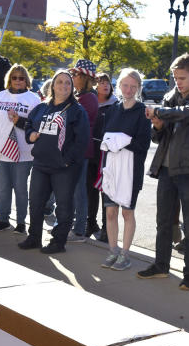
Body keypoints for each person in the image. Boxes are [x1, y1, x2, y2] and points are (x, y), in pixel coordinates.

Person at [138, 54, 189, 290]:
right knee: (163, 222)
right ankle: (161, 265)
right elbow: (158, 137)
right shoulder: (170, 96)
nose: (177, 82)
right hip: (166, 168)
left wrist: (160, 113)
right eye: (175, 77)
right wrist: (157, 125)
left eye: (182, 78)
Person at [18, 70, 89, 253]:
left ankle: (58, 242)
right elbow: (28, 125)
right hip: (41, 164)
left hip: (64, 168)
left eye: (68, 83)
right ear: (53, 85)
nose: (64, 86)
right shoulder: (42, 108)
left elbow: (82, 141)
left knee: (64, 206)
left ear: (72, 87)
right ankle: (34, 238)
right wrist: (30, 135)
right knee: (35, 202)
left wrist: (67, 160)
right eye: (60, 82)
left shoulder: (76, 110)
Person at [99, 68, 151, 271]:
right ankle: (113, 251)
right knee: (110, 213)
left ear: (138, 88)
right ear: (119, 85)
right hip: (111, 169)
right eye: (125, 85)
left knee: (127, 214)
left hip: (131, 172)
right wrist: (115, 141)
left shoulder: (142, 112)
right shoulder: (112, 110)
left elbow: (142, 145)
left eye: (133, 86)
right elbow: (104, 137)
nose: (128, 89)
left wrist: (120, 141)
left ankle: (125, 255)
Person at [0, 64, 41, 233]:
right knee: (3, 187)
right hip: (0, 151)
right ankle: (3, 219)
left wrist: (19, 121)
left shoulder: (33, 99)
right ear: (9, 79)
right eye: (14, 77)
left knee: (21, 188)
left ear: (26, 80)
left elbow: (37, 126)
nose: (17, 81)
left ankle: (21, 222)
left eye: (21, 78)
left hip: (24, 154)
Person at [69, 59, 100, 242]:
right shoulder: (81, 96)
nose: (72, 77)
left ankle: (79, 230)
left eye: (75, 74)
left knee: (79, 191)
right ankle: (71, 225)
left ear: (85, 77)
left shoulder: (89, 99)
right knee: (72, 190)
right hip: (74, 150)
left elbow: (76, 123)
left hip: (81, 151)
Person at [90, 72, 119, 242]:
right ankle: (90, 223)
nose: (105, 85)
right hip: (90, 152)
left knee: (105, 191)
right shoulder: (90, 102)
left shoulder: (115, 105)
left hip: (107, 154)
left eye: (107, 82)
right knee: (90, 190)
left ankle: (106, 229)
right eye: (101, 82)